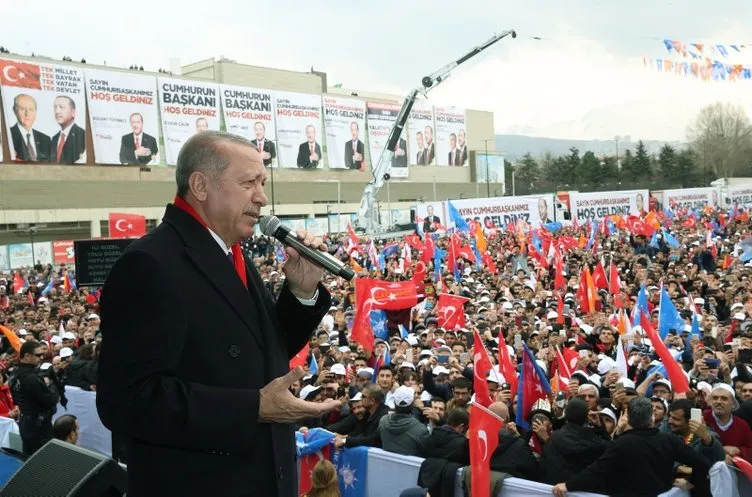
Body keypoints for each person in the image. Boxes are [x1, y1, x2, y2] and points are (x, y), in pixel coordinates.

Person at [95, 131, 340, 497]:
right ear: (201, 185)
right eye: (248, 183)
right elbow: (126, 401)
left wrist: (301, 292)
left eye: (262, 183)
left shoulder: (229, 253)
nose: (261, 197)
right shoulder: (150, 264)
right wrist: (253, 407)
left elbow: (262, 351)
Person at [553, 397, 712, 497]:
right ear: (651, 417)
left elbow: (596, 471)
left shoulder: (622, 443)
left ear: (628, 418)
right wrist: (694, 483)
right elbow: (703, 463)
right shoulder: (670, 440)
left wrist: (567, 486)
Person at [10, 341, 60, 456]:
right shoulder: (31, 378)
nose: (41, 358)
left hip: (25, 422)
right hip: (38, 426)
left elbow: (16, 399)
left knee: (29, 457)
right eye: (38, 355)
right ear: (27, 356)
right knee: (43, 459)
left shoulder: (15, 373)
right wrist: (51, 384)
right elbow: (51, 400)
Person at [9, 93, 51, 162]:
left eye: (31, 109)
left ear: (35, 112)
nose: (27, 114)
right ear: (15, 111)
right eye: (22, 109)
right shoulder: (7, 136)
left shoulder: (46, 139)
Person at [50, 96, 85, 164]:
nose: (57, 111)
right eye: (55, 108)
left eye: (61, 107)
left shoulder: (83, 135)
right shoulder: (54, 139)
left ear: (73, 112)